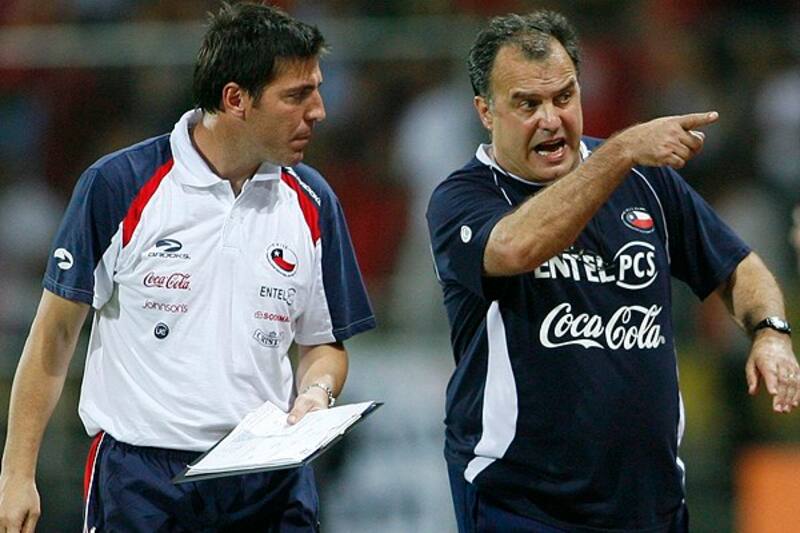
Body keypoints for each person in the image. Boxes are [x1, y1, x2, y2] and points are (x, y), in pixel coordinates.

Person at [0, 3, 375, 532]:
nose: (319, 111)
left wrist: (317, 393)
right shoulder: (119, 185)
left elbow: (324, 344)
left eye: (316, 89)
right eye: (297, 95)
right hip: (141, 481)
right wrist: (17, 474)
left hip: (267, 480)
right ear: (235, 99)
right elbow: (53, 338)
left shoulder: (314, 201)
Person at [426, 10, 799, 533]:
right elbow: (518, 247)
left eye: (563, 97)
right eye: (527, 104)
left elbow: (738, 264)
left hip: (651, 504)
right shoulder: (463, 198)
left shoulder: (645, 183)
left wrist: (770, 333)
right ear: (486, 112)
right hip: (524, 506)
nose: (551, 119)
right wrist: (622, 150)